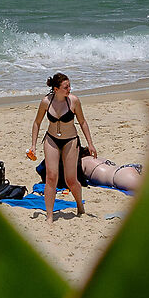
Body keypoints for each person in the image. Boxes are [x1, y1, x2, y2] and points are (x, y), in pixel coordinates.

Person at [30, 73, 94, 220]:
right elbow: (37, 123)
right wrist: (33, 145)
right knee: (51, 177)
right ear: (56, 89)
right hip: (51, 140)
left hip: (70, 140)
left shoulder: (73, 101)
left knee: (70, 179)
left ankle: (80, 205)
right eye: (66, 87)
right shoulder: (46, 102)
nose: (69, 89)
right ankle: (49, 216)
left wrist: (90, 144)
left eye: (69, 86)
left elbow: (83, 122)